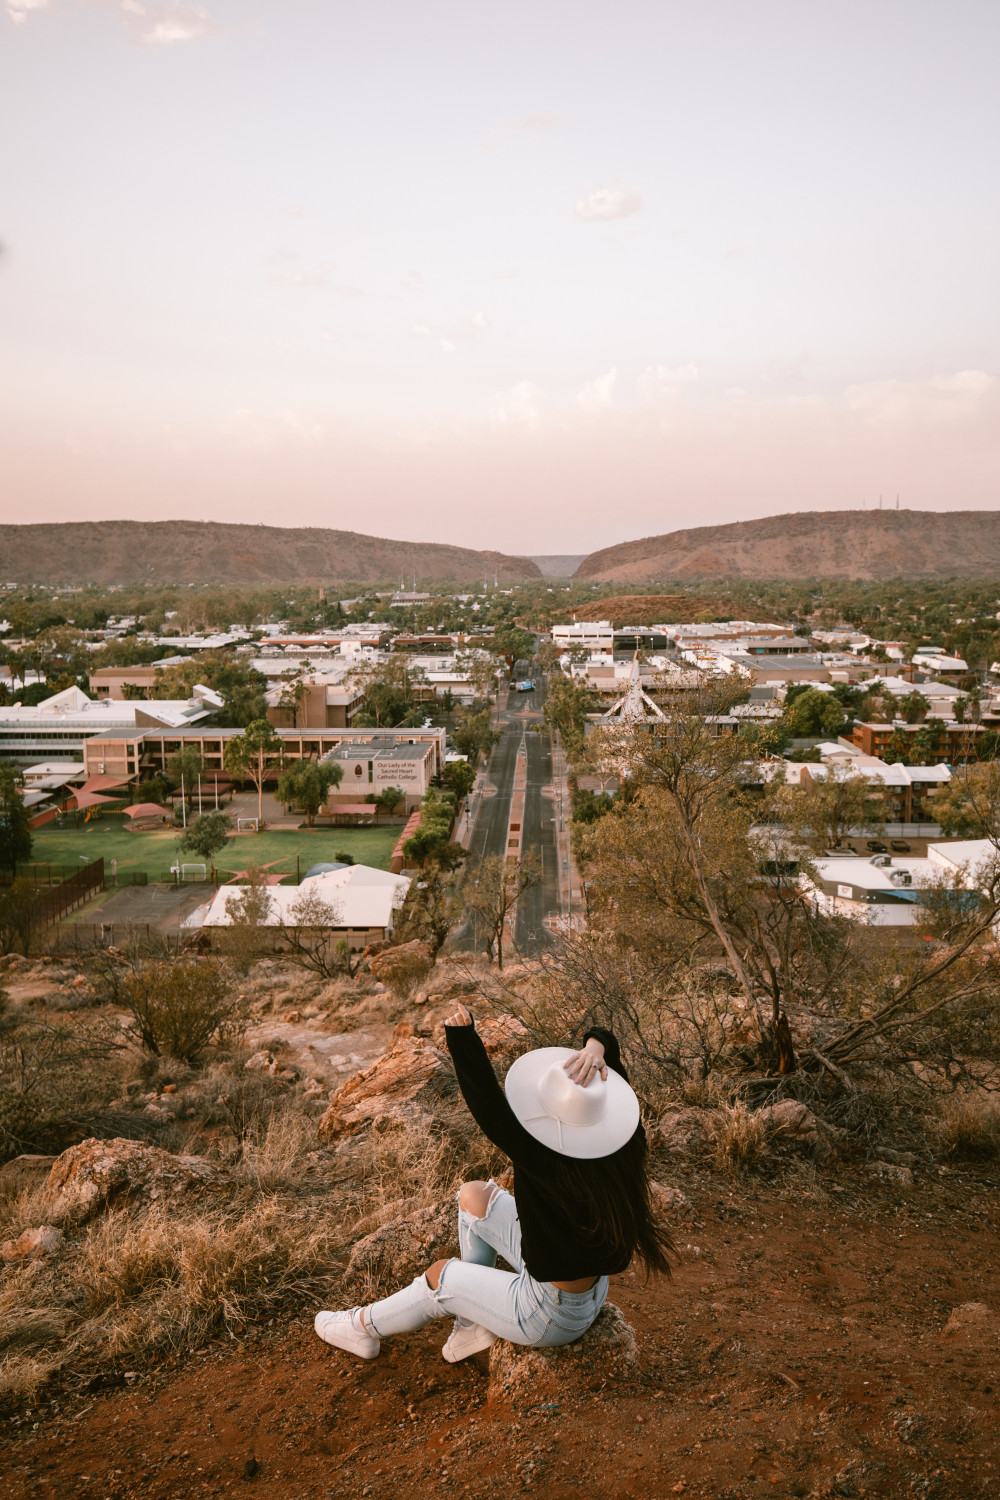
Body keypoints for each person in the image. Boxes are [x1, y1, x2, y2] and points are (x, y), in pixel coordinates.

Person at [314, 1004, 673, 1364]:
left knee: (441, 1278)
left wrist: (463, 1037)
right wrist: (599, 1046)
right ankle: (471, 1327)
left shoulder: (547, 1158)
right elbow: (617, 1084)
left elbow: (487, 1104)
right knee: (473, 1196)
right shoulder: (626, 1143)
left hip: (548, 1314)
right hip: (586, 1289)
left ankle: (362, 1327)